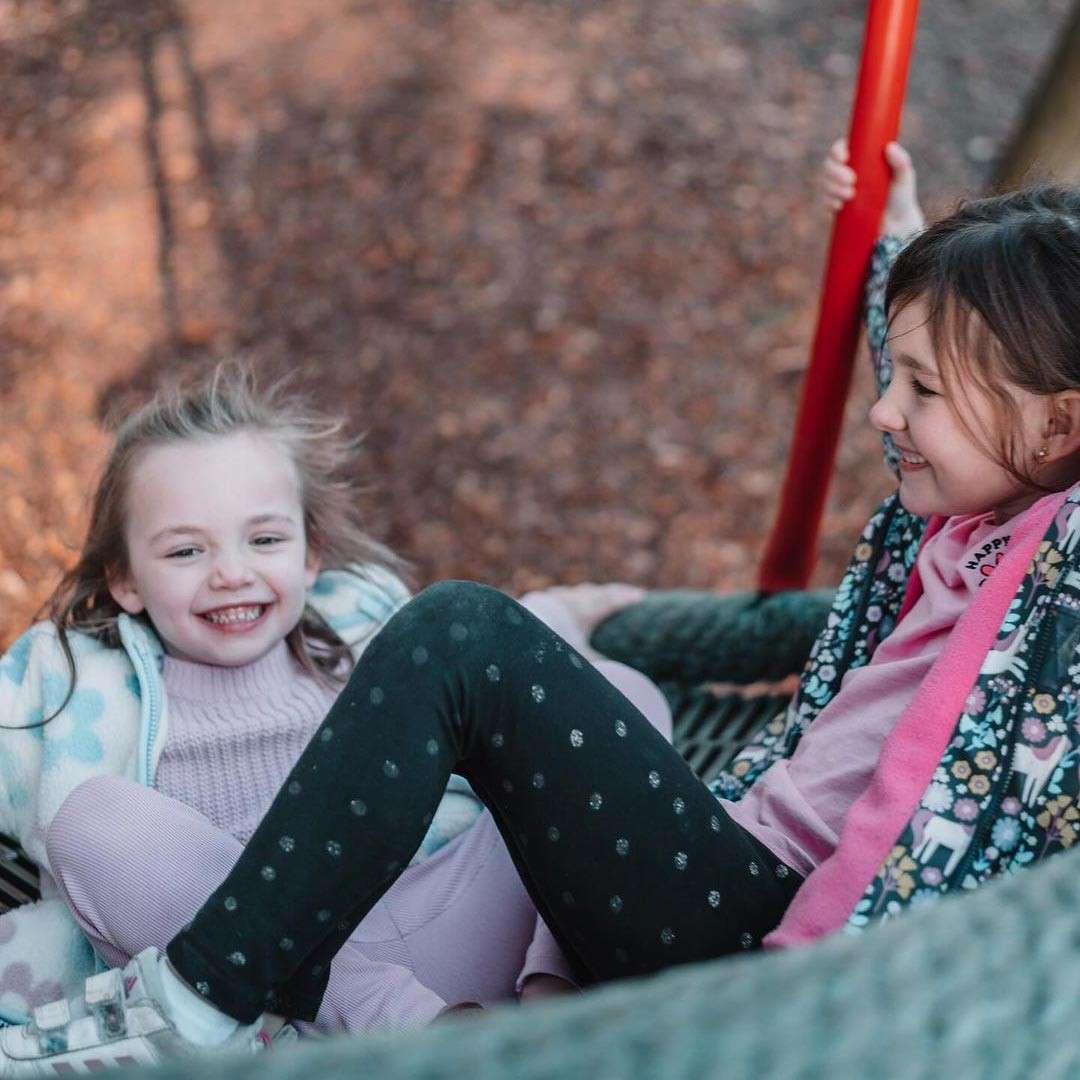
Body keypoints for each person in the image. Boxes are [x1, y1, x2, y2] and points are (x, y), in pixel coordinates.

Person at [8, 143, 1080, 1073]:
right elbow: (975, 387)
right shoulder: (955, 528)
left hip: (770, 954)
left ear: (1059, 428)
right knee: (575, 681)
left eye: (924, 391)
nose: (887, 407)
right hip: (713, 878)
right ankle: (514, 1018)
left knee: (461, 633)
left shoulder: (1056, 575)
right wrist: (901, 247)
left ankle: (199, 998)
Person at [0, 365, 672, 1058]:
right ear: (125, 580)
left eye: (263, 540)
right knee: (95, 819)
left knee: (624, 696)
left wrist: (563, 610)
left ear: (311, 554)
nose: (231, 572)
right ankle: (430, 1036)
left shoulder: (361, 629)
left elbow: (488, 665)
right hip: (285, 982)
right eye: (186, 550)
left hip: (465, 912)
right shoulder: (81, 686)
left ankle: (551, 995)